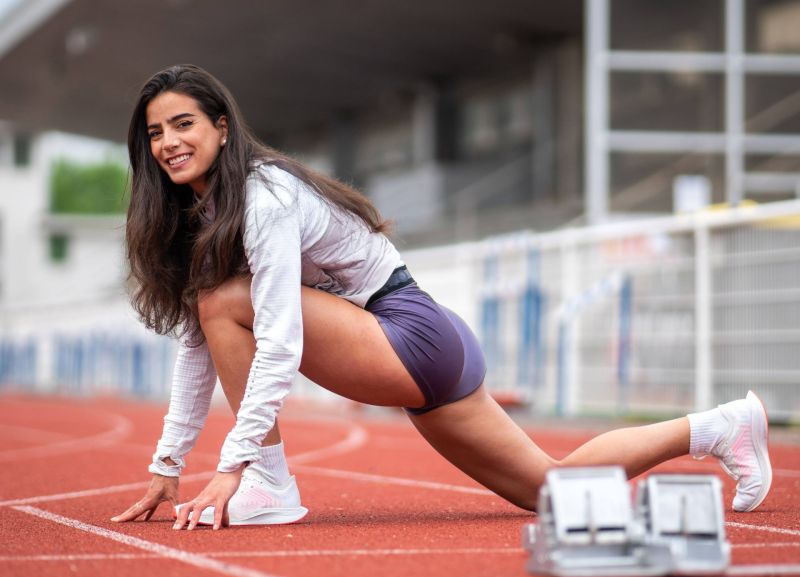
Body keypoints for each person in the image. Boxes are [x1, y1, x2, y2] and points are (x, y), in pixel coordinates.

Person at [111, 65, 772, 531]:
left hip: (407, 332)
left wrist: (236, 468)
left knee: (226, 300)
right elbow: (201, 344)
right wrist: (168, 463)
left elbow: (276, 338)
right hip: (423, 343)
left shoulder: (266, 198)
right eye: (155, 133)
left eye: (183, 123)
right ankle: (718, 426)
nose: (169, 142)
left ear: (222, 127)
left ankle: (272, 486)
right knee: (555, 489)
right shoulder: (204, 219)